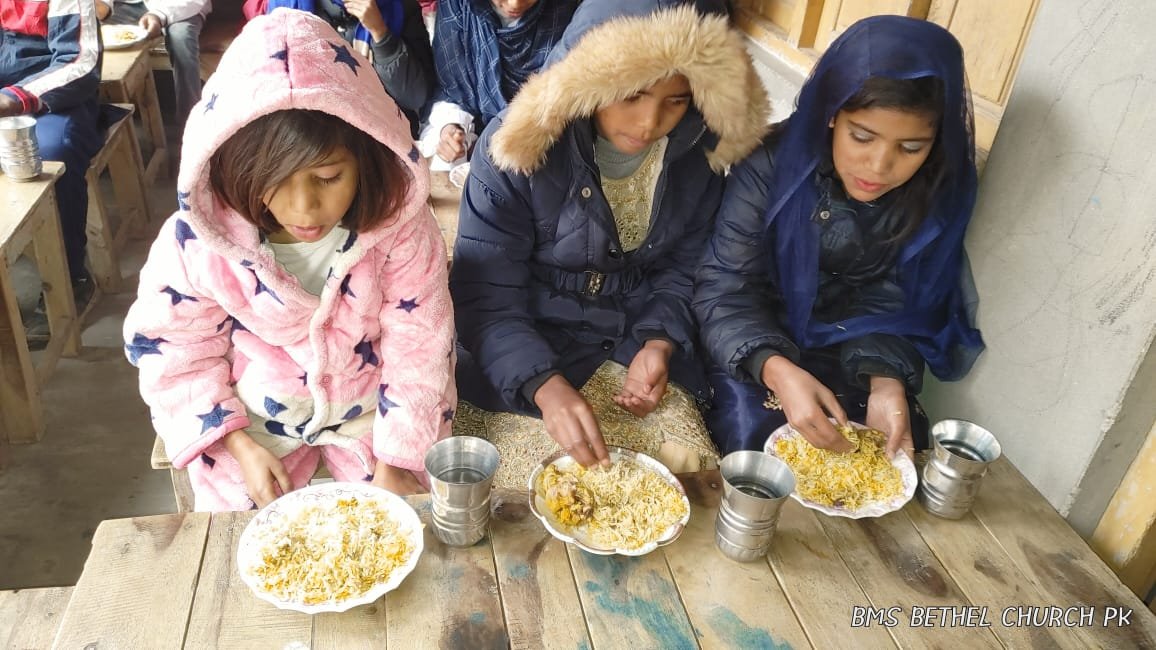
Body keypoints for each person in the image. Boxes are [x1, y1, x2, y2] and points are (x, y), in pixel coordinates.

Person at [123, 10, 455, 511]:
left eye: (328, 178)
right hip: (255, 416)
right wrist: (236, 443)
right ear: (237, 165)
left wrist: (396, 461)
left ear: (364, 159)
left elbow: (420, 348)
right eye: (276, 180)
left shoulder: (401, 231)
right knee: (236, 527)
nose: (304, 209)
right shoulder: (197, 244)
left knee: (404, 518)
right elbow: (174, 350)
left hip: (373, 408)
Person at [450, 0, 770, 488]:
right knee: (526, 494)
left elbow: (685, 271)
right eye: (632, 95)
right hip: (521, 349)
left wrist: (658, 342)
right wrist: (542, 385)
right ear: (588, 77)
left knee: (677, 480)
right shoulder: (515, 147)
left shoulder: (696, 156)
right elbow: (485, 295)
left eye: (676, 100)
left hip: (628, 341)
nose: (648, 123)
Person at [694, 15, 985, 460]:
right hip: (750, 343)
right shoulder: (771, 165)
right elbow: (724, 286)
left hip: (856, 352)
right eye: (862, 136)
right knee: (759, 441)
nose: (879, 166)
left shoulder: (931, 188)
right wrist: (774, 369)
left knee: (891, 451)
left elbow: (897, 299)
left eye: (911, 148)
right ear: (832, 114)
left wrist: (886, 381)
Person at [1, 0, 102, 326]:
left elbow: (80, 63)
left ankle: (71, 274)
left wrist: (14, 98)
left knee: (51, 152)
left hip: (54, 97)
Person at [418, 0, 577, 169]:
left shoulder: (563, 10)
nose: (514, 4)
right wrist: (451, 127)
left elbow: (565, 95)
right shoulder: (458, 5)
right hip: (474, 128)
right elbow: (451, 85)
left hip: (540, 136)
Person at [262, 0, 435, 136]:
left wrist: (380, 33)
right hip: (315, 139)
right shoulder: (286, 11)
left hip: (384, 138)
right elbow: (276, 95)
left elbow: (414, 97)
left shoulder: (400, 7)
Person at [101, 0, 211, 127]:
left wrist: (159, 15)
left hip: (183, 7)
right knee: (93, 31)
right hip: (128, 6)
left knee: (181, 38)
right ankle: (107, 121)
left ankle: (190, 122)